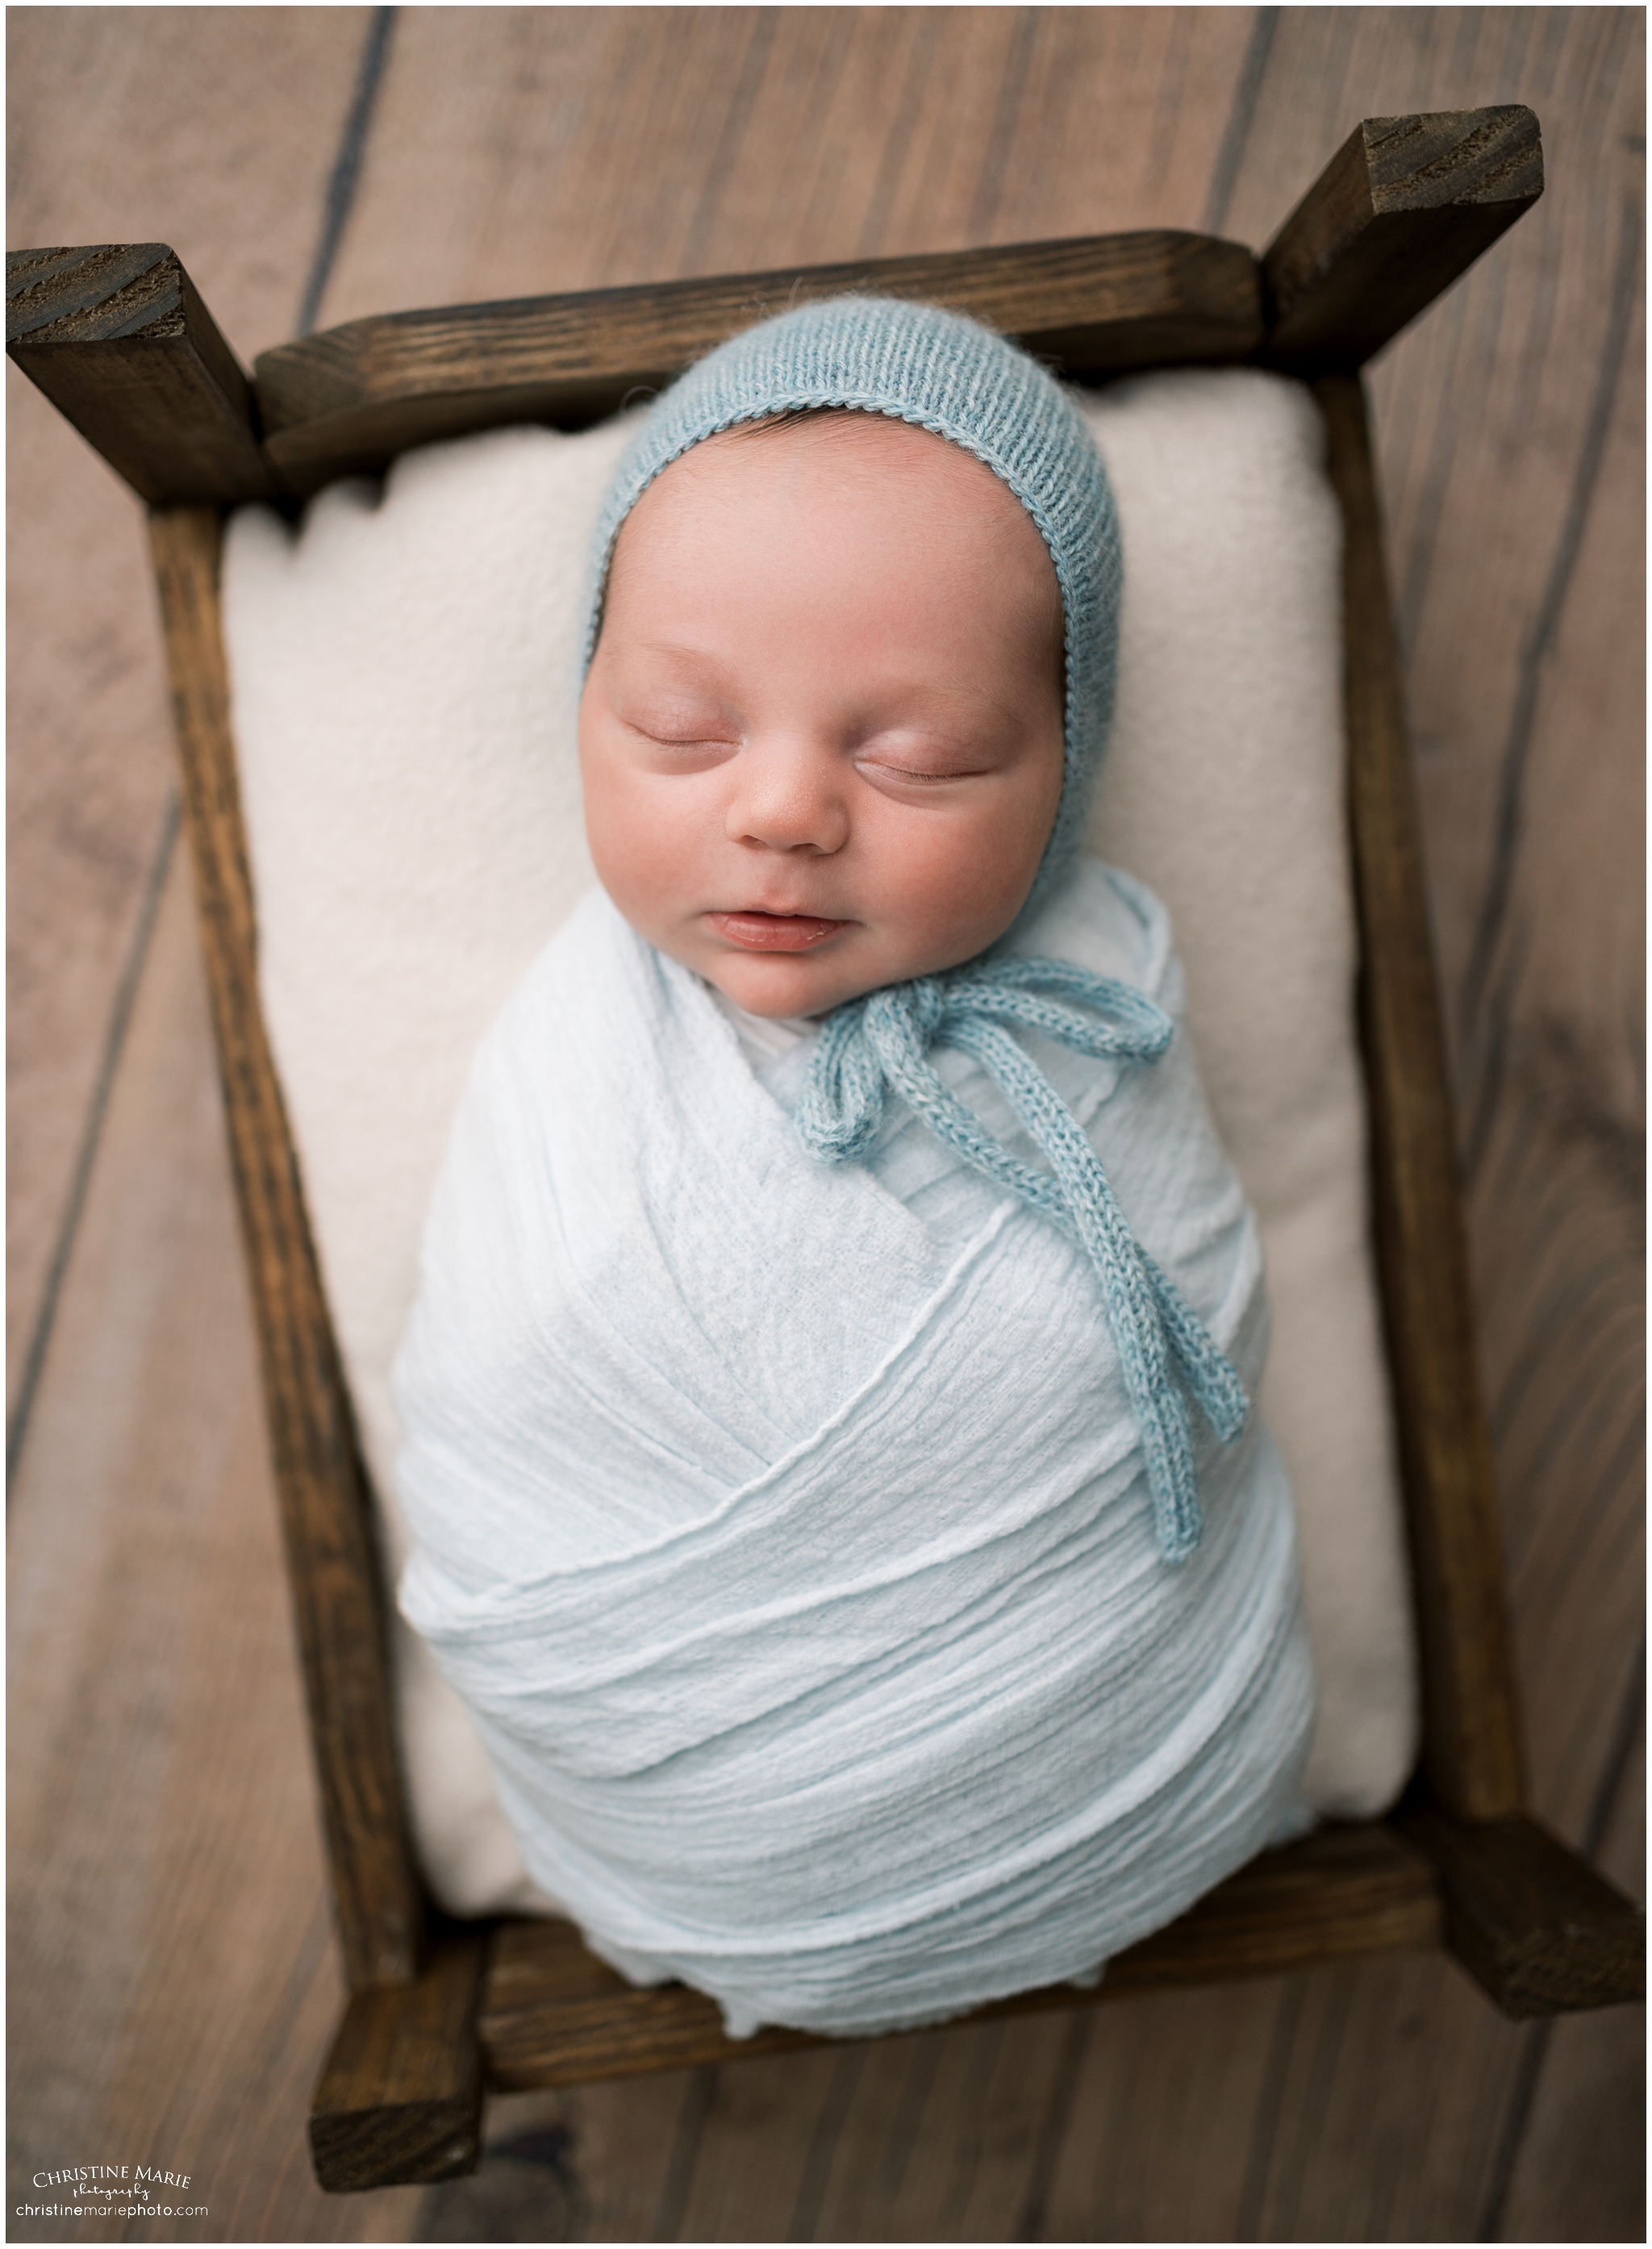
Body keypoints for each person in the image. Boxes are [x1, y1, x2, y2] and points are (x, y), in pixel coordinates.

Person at [392, 296, 1315, 2040]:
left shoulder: (1097, 1017)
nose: (786, 810)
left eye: (922, 756)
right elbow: (501, 1384)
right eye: (681, 726)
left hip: (1127, 1743)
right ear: (581, 708)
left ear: (1064, 770)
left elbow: (1178, 1323)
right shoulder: (574, 1065)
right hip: (689, 1806)